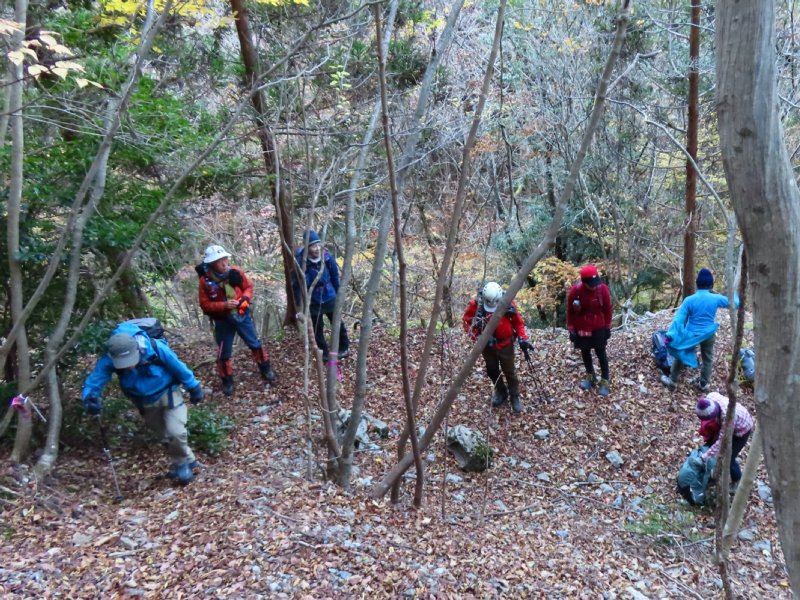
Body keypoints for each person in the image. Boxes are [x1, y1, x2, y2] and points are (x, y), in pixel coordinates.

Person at [82, 322, 204, 485]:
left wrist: (193, 387)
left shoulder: (153, 347)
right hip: (144, 401)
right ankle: (189, 461)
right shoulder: (111, 357)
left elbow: (177, 366)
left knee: (176, 432)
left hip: (169, 393)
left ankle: (182, 465)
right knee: (163, 435)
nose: (128, 366)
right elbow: (95, 379)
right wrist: (90, 398)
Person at [196, 244, 276, 397]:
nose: (224, 263)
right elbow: (204, 304)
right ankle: (227, 380)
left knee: (254, 343)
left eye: (225, 259)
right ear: (211, 264)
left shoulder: (235, 272)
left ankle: (266, 369)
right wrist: (224, 305)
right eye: (219, 261)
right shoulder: (205, 281)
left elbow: (248, 287)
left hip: (241, 315)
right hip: (222, 320)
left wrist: (244, 299)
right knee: (224, 352)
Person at [660, 268, 738, 392]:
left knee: (680, 353)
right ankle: (703, 384)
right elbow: (735, 304)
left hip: (691, 334)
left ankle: (672, 381)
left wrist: (671, 334)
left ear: (697, 283)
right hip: (708, 334)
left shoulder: (689, 300)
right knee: (708, 358)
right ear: (711, 285)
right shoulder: (716, 298)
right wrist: (735, 293)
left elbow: (679, 319)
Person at [462, 281, 533, 414]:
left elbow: (518, 323)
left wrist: (522, 338)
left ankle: (514, 396)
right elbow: (467, 322)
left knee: (509, 371)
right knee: (492, 370)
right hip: (486, 346)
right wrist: (478, 337)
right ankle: (501, 391)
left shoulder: (508, 303)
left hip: (506, 344)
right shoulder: (476, 305)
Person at [291, 230, 350, 363]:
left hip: (329, 295)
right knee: (317, 328)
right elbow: (296, 284)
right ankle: (324, 353)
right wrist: (299, 304)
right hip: (313, 300)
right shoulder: (300, 261)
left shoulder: (327, 257)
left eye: (318, 245)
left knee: (338, 323)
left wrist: (339, 295)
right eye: (313, 246)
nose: (317, 248)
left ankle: (344, 348)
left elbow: (334, 276)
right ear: (307, 247)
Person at [566, 264, 613, 397]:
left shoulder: (602, 289)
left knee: (601, 352)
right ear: (584, 282)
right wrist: (571, 329)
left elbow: (608, 309)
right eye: (590, 284)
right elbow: (570, 311)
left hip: (598, 326)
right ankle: (590, 376)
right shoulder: (575, 291)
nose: (594, 286)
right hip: (582, 326)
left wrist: (607, 327)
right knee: (585, 351)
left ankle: (605, 380)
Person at [695, 392, 754, 484]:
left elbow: (721, 441)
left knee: (729, 457)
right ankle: (715, 468)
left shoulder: (727, 418)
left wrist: (704, 458)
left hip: (742, 429)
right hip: (732, 422)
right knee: (715, 443)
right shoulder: (711, 396)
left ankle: (737, 479)